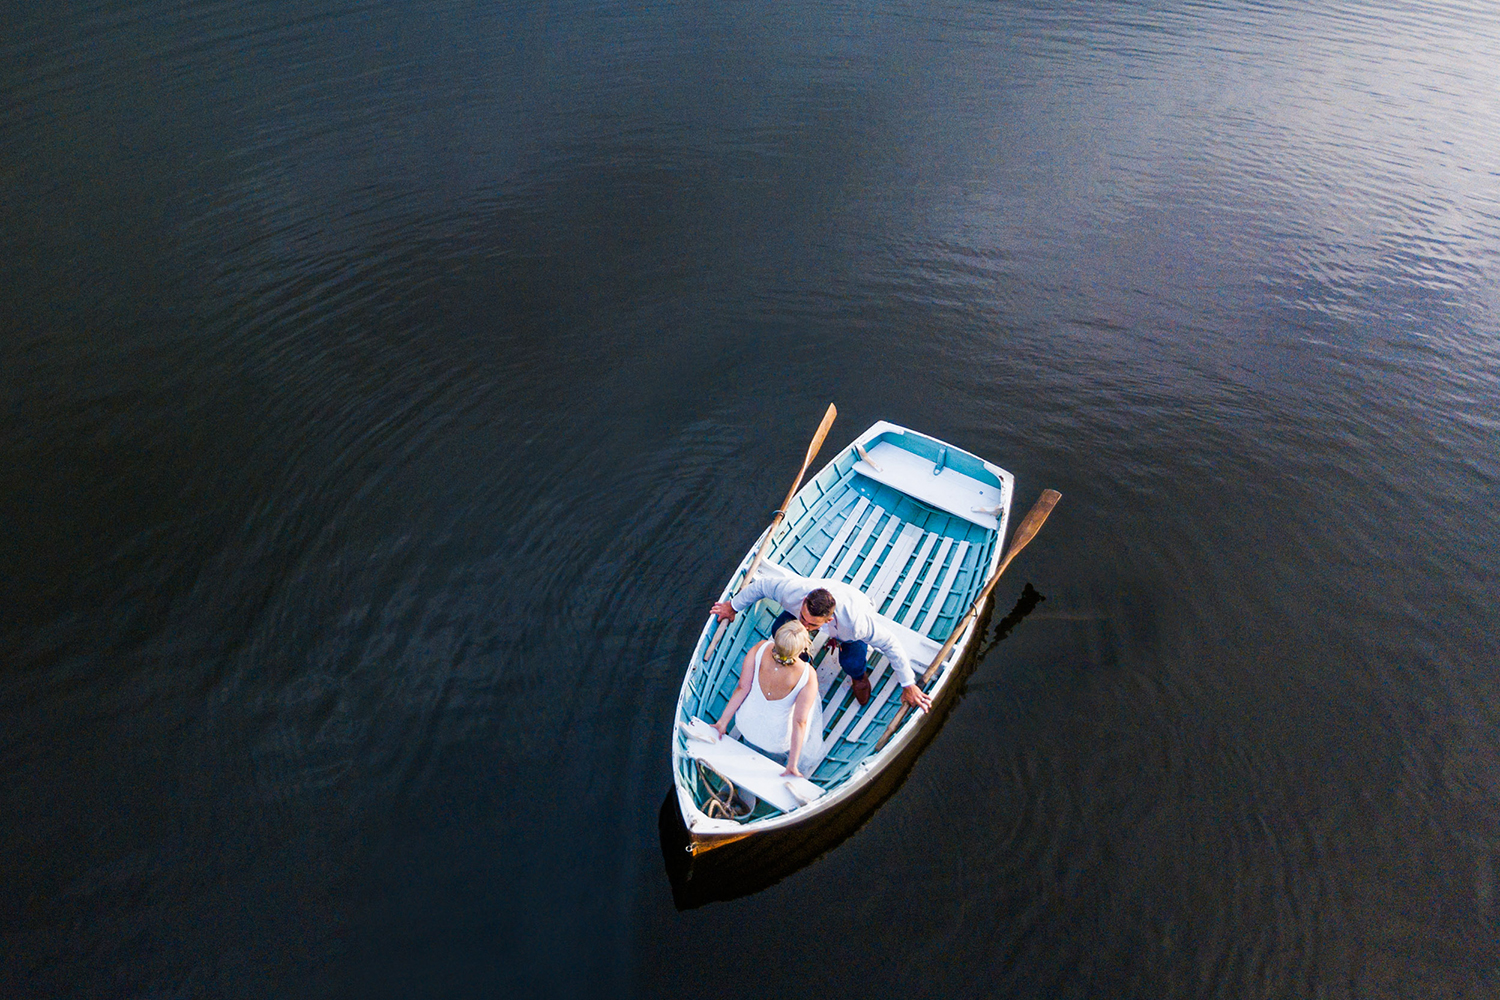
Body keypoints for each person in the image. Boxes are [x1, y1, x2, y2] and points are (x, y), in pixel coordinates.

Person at [710, 571, 933, 712]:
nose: (804, 627)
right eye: (803, 618)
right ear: (804, 601)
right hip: (823, 611)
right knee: (780, 630)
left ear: (828, 619)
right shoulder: (792, 592)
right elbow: (762, 586)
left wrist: (908, 684)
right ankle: (801, 664)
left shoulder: (855, 623)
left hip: (848, 626)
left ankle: (859, 677)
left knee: (852, 661)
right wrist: (733, 606)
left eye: (813, 625)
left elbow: (890, 643)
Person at [711, 620, 824, 777]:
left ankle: (741, 773)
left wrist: (722, 723)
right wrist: (792, 764)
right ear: (802, 648)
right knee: (807, 708)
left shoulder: (760, 648)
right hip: (776, 742)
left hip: (747, 726)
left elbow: (742, 688)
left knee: (751, 742)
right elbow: (800, 721)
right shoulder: (808, 674)